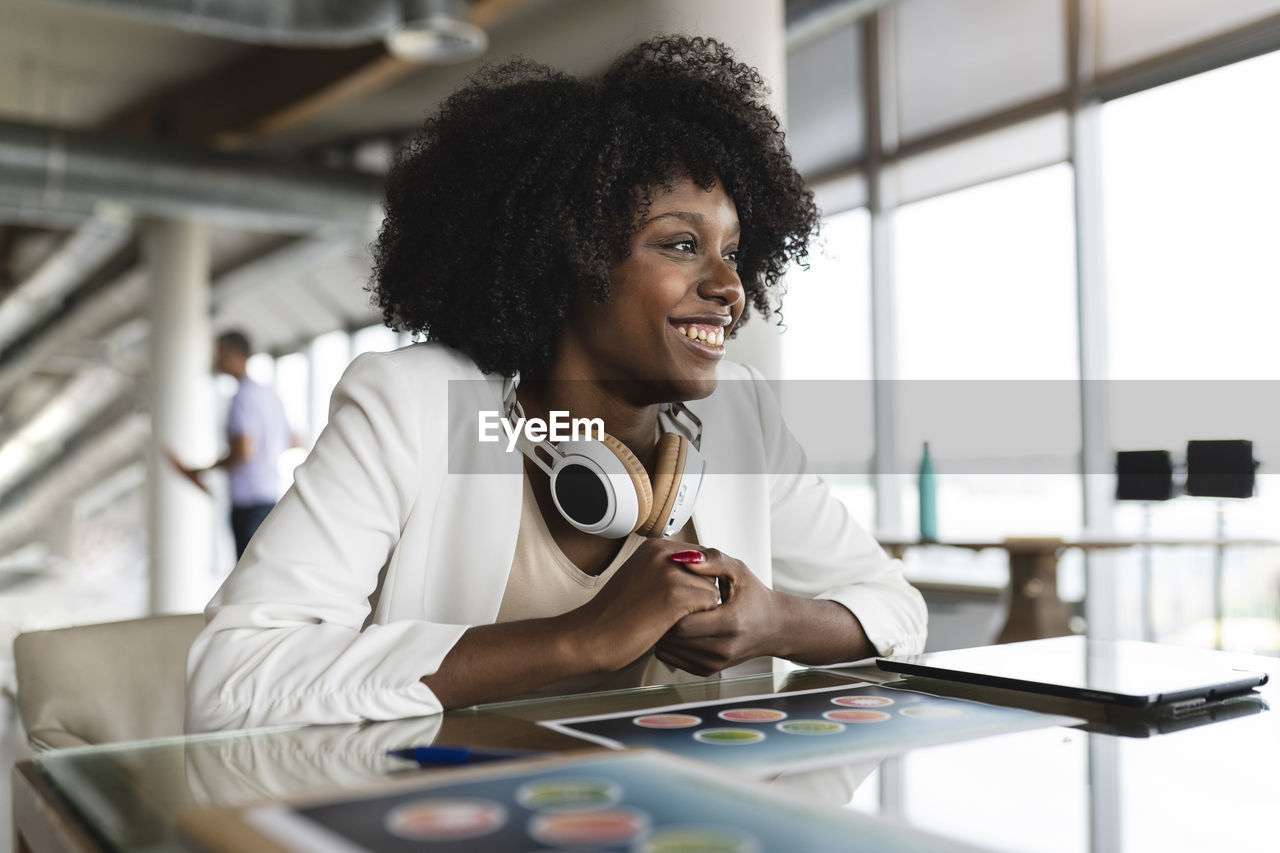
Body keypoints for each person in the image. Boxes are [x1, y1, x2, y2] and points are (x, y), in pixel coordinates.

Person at [186, 36, 926, 733]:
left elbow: (897, 607)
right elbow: (232, 679)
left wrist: (776, 622)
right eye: (681, 244)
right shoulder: (410, 407)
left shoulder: (741, 417)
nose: (731, 286)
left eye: (733, 251)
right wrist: (580, 639)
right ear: (569, 258)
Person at [167, 331, 292, 559]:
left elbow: (243, 451)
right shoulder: (269, 395)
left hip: (247, 501)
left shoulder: (243, 397)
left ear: (236, 354)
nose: (216, 360)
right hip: (269, 495)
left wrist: (199, 471)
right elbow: (292, 440)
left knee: (247, 575)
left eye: (221, 353)